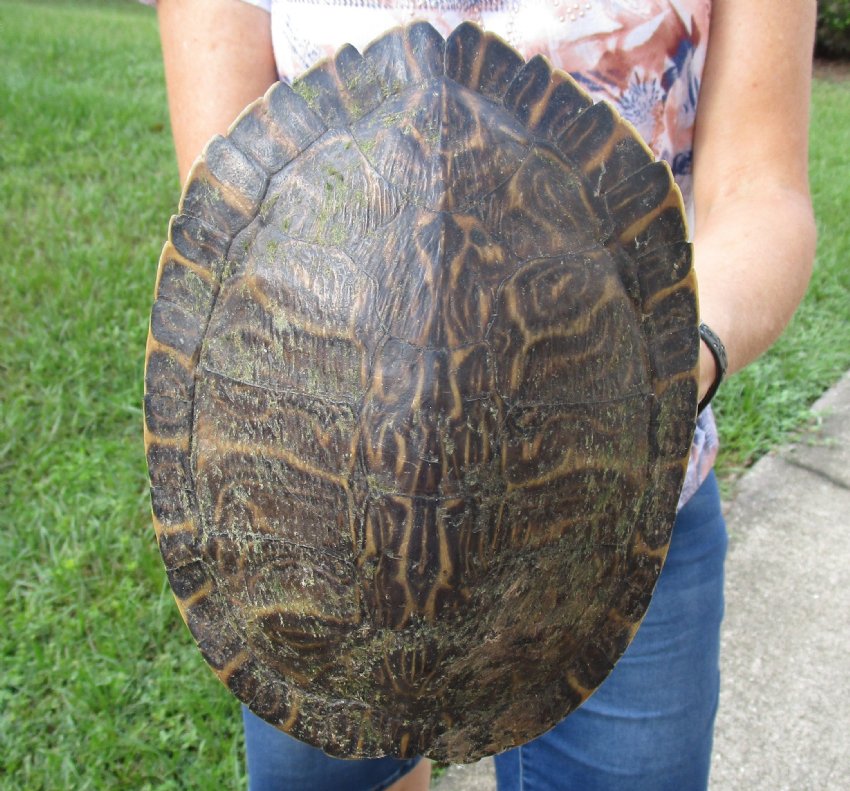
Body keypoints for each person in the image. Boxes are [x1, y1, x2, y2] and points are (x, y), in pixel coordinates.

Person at [147, 1, 817, 788]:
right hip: (306, 524)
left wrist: (676, 364)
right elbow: (233, 207)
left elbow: (762, 191)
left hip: (599, 503)